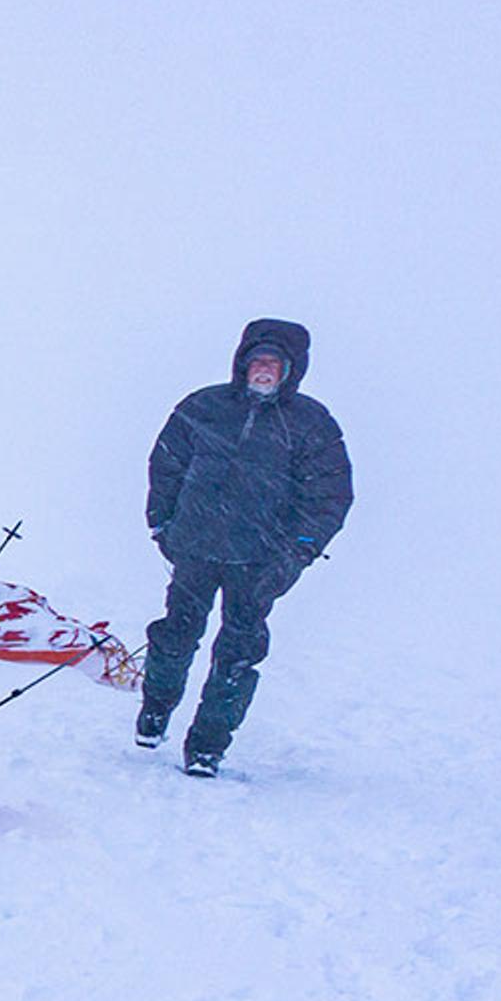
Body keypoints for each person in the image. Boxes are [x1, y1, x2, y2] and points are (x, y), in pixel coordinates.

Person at [139, 318, 352, 775]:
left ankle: (207, 748)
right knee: (174, 636)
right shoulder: (204, 407)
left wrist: (296, 553)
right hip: (194, 547)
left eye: (274, 363)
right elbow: (166, 464)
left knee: (237, 656)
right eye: (257, 361)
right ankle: (155, 710)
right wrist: (162, 525)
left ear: (292, 370)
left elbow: (329, 497)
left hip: (259, 563)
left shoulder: (311, 424)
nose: (264, 370)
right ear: (242, 363)